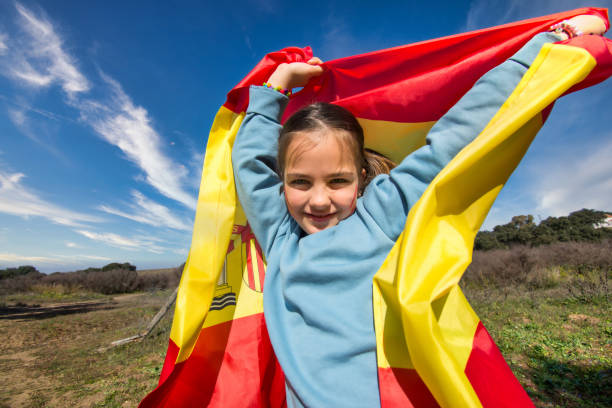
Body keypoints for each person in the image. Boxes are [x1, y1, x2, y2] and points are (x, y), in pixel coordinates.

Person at [231, 15, 606, 408]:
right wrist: (279, 84)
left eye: (338, 182)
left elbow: (462, 130)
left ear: (361, 178)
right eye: (301, 182)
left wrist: (554, 41)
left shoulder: (380, 213)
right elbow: (249, 161)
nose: (319, 201)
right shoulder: (279, 235)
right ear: (283, 182)